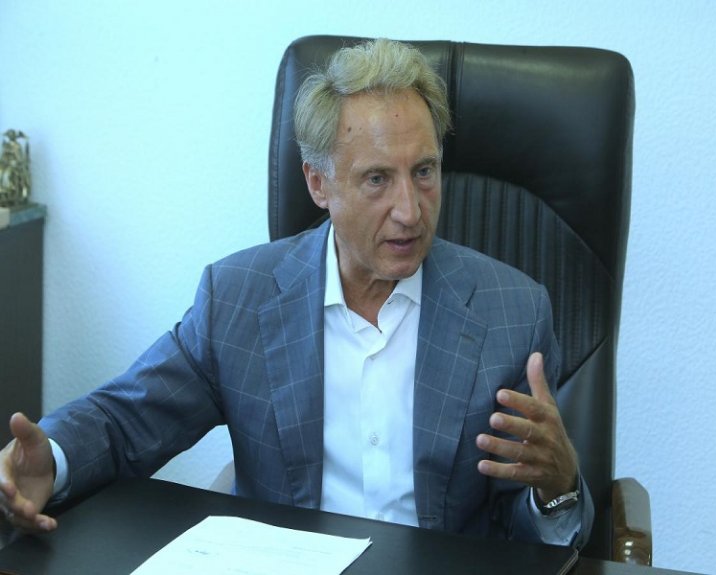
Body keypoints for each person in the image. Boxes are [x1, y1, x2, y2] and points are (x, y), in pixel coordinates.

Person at [0, 38, 593, 549]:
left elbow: (523, 533)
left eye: (424, 172)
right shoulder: (238, 299)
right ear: (318, 183)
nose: (410, 211)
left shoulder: (512, 313)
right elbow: (125, 419)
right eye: (377, 179)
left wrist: (558, 489)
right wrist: (49, 458)